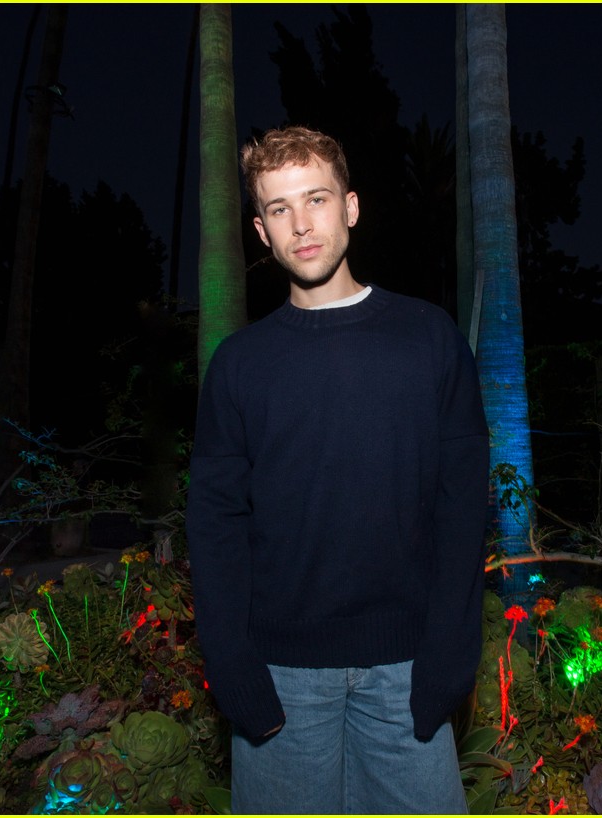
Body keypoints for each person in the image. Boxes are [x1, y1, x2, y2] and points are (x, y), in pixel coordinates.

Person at [186, 126, 490, 814]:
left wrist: (451, 653)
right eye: (279, 208)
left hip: (408, 670)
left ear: (350, 207)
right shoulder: (238, 365)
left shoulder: (430, 338)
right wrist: (230, 663)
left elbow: (462, 506)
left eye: (316, 199)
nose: (301, 224)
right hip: (280, 675)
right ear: (261, 231)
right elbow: (215, 523)